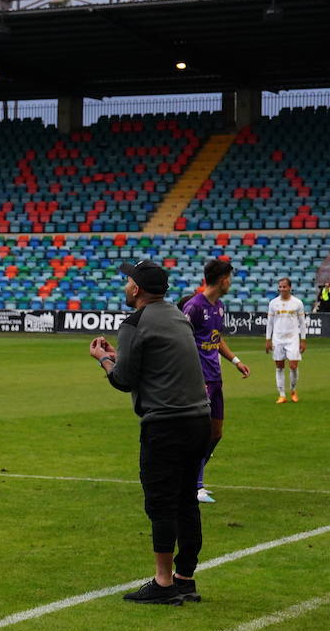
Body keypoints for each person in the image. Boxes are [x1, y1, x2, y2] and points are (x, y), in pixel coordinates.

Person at [89, 259, 210, 605]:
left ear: (137, 289)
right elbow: (152, 365)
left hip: (166, 424)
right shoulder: (177, 316)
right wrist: (120, 357)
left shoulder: (135, 322)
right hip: (198, 420)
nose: (126, 285)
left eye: (128, 281)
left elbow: (123, 379)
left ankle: (163, 582)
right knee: (187, 498)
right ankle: (185, 578)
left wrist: (103, 359)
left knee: (161, 502)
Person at [180, 259, 250, 504]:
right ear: (222, 279)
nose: (230, 282)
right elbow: (181, 341)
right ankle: (195, 485)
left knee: (216, 433)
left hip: (215, 377)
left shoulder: (219, 306)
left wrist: (235, 360)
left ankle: (189, 477)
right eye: (229, 277)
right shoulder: (194, 306)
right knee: (200, 433)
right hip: (199, 380)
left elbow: (215, 338)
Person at [265, 276, 307, 404]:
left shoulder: (297, 303)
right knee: (279, 366)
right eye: (280, 287)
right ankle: (282, 394)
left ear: (290, 287)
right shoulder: (273, 303)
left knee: (293, 365)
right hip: (278, 338)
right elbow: (270, 323)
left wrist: (303, 340)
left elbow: (302, 323)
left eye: (284, 286)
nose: (282, 289)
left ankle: (293, 390)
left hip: (292, 338)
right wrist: (268, 339)